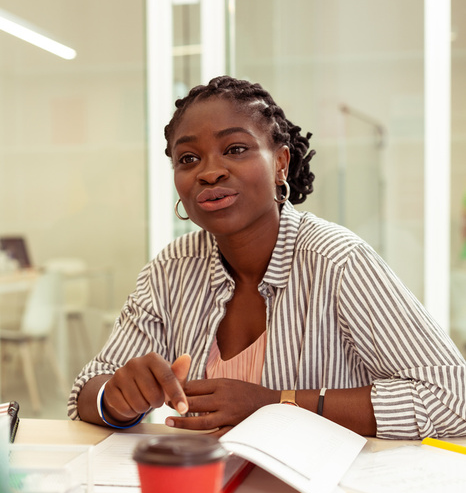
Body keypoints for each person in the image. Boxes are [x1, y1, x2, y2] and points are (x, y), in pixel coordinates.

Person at [68, 75, 466, 440]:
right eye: (188, 159)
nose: (209, 172)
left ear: (280, 163)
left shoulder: (336, 261)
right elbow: (85, 393)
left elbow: (451, 397)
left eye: (235, 149)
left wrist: (275, 404)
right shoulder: (169, 271)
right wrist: (115, 397)